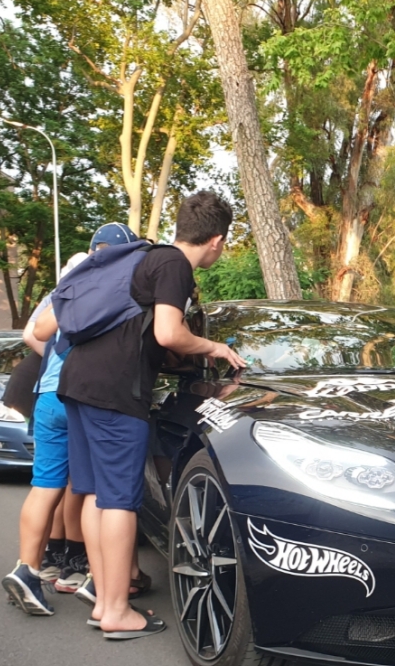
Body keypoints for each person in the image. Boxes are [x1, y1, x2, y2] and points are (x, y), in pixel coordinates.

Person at [48, 192, 246, 639]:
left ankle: (104, 602)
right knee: (119, 499)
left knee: (97, 495)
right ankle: (117, 610)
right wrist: (215, 347)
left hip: (78, 383)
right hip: (116, 391)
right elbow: (168, 332)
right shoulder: (175, 265)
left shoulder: (142, 258)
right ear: (216, 240)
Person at [1, 251, 90, 615]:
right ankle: (79, 570)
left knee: (45, 484)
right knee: (84, 487)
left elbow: (32, 334)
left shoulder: (58, 296)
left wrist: (55, 358)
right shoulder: (100, 292)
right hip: (76, 396)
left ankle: (29, 568)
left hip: (45, 394)